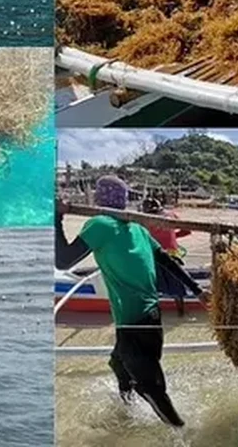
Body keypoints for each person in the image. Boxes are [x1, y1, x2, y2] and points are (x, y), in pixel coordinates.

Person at [55, 176, 209, 428]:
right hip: (150, 317)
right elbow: (168, 262)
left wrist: (56, 218)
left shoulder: (100, 224)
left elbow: (63, 261)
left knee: (150, 388)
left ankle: (182, 434)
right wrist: (196, 291)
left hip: (134, 322)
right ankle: (128, 415)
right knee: (118, 363)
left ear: (100, 197)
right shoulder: (137, 227)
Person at [141, 198, 191, 316]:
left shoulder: (143, 220)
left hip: (155, 256)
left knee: (152, 286)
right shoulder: (171, 214)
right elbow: (187, 230)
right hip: (173, 254)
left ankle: (153, 313)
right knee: (178, 287)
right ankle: (181, 313)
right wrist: (174, 236)